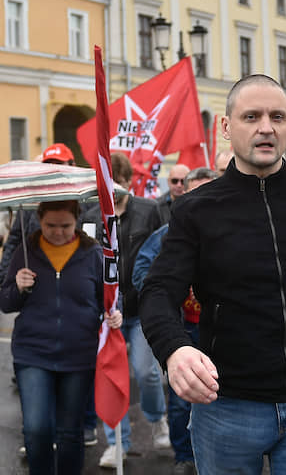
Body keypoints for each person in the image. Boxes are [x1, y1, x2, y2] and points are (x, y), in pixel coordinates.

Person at [138, 74, 286, 474]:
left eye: (277, 117)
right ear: (226, 127)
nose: (266, 127)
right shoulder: (196, 209)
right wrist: (174, 350)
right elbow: (158, 291)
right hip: (225, 406)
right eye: (251, 116)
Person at [0, 200, 122, 474]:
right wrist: (17, 287)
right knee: (36, 429)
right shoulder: (25, 252)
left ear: (77, 220)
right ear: (39, 221)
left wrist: (116, 313)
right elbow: (5, 303)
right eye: (50, 226)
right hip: (33, 353)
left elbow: (112, 297)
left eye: (65, 225)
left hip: (79, 354)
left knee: (70, 432)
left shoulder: (93, 253)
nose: (57, 232)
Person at [83, 152, 169, 468]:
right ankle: (117, 442)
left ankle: (158, 419)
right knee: (110, 376)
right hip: (105, 312)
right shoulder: (90, 214)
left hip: (140, 308)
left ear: (129, 182)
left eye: (118, 185)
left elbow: (162, 254)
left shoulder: (149, 210)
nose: (114, 192)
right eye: (107, 185)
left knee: (146, 371)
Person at [133, 167, 218, 475]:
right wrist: (170, 288)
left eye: (206, 191)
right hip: (185, 330)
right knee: (183, 398)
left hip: (223, 332)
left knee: (223, 396)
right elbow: (143, 275)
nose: (200, 200)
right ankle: (185, 456)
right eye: (192, 193)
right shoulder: (168, 233)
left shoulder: (238, 229)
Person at [0, 143, 76, 286]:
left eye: (58, 164)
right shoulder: (31, 203)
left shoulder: (87, 202)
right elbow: (14, 240)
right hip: (35, 283)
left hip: (72, 282)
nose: (53, 169)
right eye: (49, 165)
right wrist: (5, 278)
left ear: (72, 165)